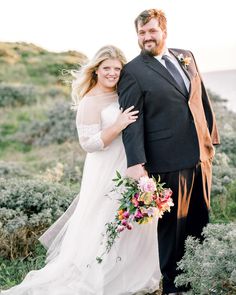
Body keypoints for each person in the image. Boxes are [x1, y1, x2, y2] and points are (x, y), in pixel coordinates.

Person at [1, 45, 161, 295]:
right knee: (103, 217)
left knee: (130, 218)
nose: (112, 73)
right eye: (106, 68)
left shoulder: (124, 91)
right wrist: (117, 125)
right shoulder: (90, 100)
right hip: (105, 167)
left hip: (127, 162)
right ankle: (99, 272)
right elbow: (88, 144)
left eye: (117, 68)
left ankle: (131, 271)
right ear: (96, 70)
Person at [118, 9, 220, 295]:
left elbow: (199, 98)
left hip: (201, 155)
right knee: (173, 230)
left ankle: (199, 278)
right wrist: (136, 161)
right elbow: (131, 121)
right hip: (166, 160)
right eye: (141, 33)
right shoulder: (133, 71)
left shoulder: (185, 55)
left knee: (202, 221)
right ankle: (174, 287)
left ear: (164, 30)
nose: (146, 37)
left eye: (151, 31)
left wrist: (211, 140)